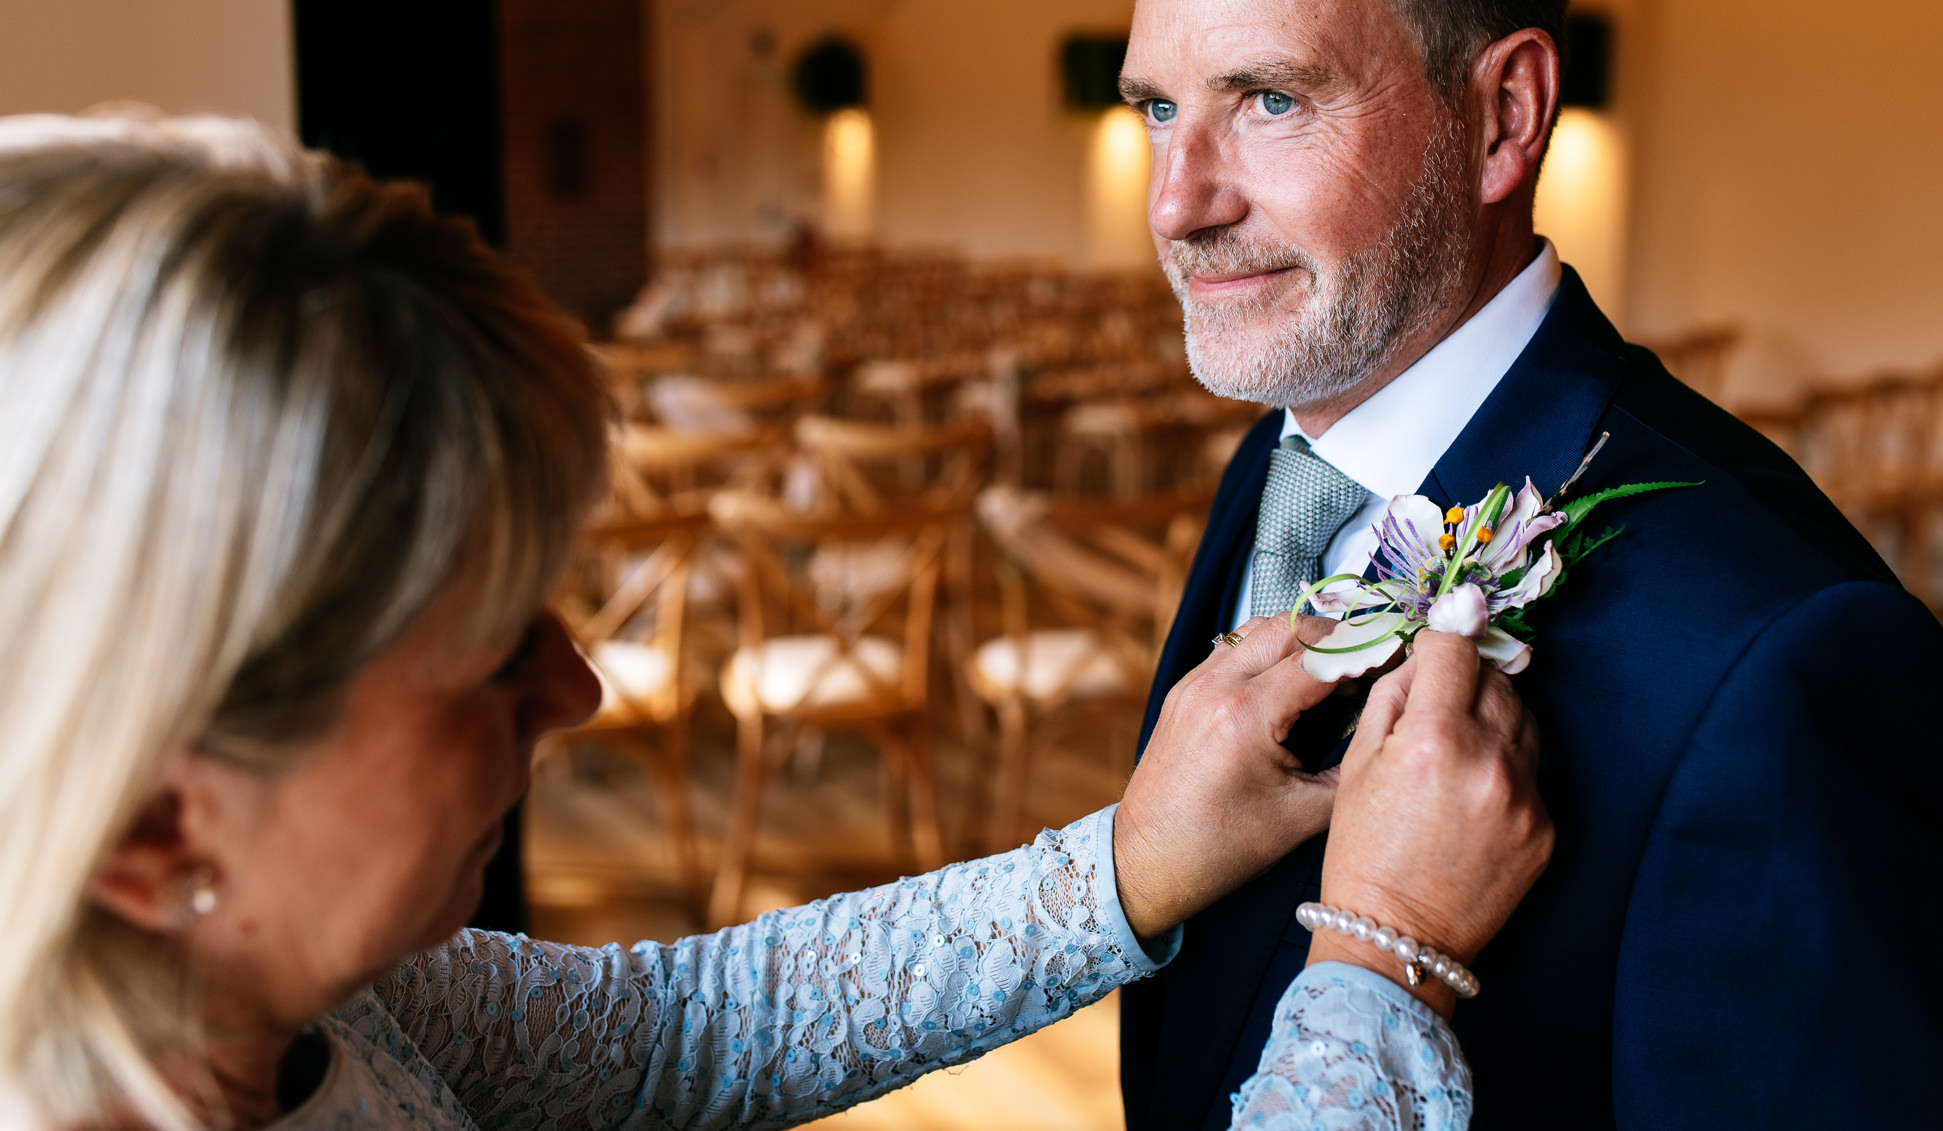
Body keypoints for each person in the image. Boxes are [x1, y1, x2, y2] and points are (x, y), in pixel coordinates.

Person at [0, 112, 1550, 1131]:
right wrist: (1383, 960)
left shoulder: (305, 1002)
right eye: (487, 654)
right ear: (151, 826)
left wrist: (1130, 862)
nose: (580, 687)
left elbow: (682, 1033)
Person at [1117, 0, 1943, 1131]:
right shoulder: (1285, 460)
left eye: (1269, 99)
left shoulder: (1784, 659)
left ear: (1504, 117)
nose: (1176, 204)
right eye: (1157, 107)